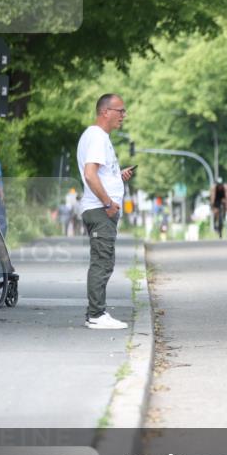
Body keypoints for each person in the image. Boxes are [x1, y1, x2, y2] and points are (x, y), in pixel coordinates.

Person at [77, 94, 135, 330]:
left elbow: (98, 173)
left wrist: (117, 178)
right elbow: (90, 174)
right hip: (100, 210)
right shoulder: (98, 137)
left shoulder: (96, 137)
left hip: (100, 208)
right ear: (105, 112)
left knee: (104, 260)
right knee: (102, 262)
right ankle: (96, 314)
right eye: (120, 110)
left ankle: (97, 312)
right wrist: (109, 203)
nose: (123, 115)